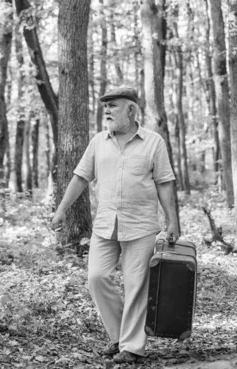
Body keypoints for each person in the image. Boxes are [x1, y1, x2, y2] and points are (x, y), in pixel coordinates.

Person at [51, 86, 179, 364]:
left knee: (136, 286)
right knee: (97, 278)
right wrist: (61, 209)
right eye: (104, 106)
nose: (106, 111)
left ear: (131, 110)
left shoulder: (153, 142)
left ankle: (132, 347)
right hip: (105, 225)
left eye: (113, 106)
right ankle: (120, 336)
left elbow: (165, 183)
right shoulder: (98, 141)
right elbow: (81, 177)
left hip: (141, 225)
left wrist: (172, 222)